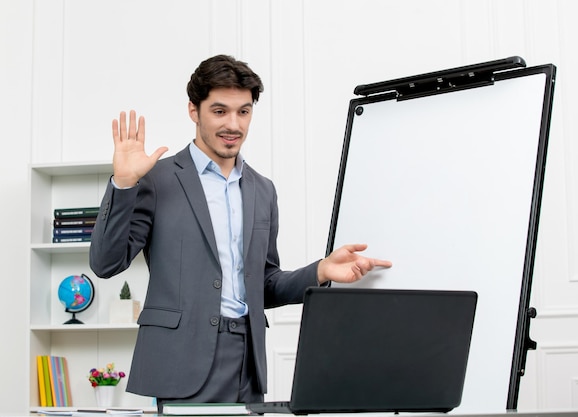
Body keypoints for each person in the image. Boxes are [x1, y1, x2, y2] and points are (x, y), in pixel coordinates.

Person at [89, 54, 391, 410]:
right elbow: (106, 264)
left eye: (243, 111)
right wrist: (124, 184)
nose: (233, 124)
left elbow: (264, 283)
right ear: (193, 110)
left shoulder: (263, 190)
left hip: (247, 362)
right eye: (219, 111)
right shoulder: (157, 180)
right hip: (182, 360)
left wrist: (321, 270)